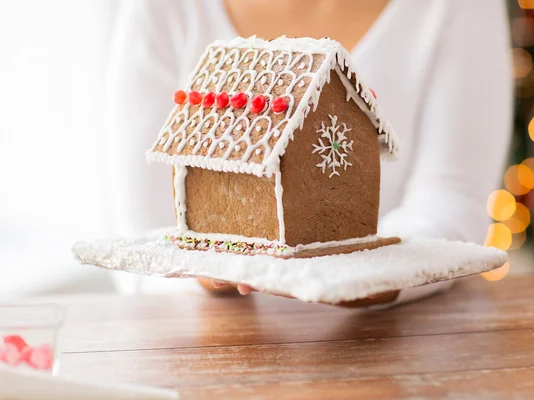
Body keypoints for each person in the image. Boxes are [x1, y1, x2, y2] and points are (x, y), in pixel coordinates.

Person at [105, 0, 512, 306]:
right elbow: (139, 239)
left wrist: (362, 277)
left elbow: (452, 203)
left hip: (383, 341)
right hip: (205, 346)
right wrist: (206, 271)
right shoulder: (162, 9)